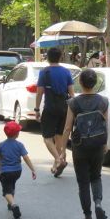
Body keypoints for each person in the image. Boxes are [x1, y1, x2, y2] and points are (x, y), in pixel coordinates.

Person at [61, 69, 109, 219]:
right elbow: (105, 124)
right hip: (97, 145)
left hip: (80, 147)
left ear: (80, 83)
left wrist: (62, 151)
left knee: (83, 183)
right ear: (94, 82)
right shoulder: (103, 101)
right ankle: (98, 203)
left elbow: (67, 128)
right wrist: (105, 144)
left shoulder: (74, 103)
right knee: (96, 176)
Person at [35, 47, 74, 177]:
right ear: (60, 57)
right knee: (59, 137)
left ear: (47, 57)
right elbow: (72, 94)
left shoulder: (44, 72)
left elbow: (40, 92)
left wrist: (36, 109)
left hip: (50, 108)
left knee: (47, 137)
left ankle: (58, 160)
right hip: (64, 108)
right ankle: (56, 164)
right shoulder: (66, 72)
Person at [0, 121, 36, 219]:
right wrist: (32, 169)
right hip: (17, 172)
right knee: (11, 185)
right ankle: (10, 204)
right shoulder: (20, 145)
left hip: (5, 172)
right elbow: (26, 158)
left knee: (6, 192)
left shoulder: (1, 145)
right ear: (17, 134)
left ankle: (13, 204)